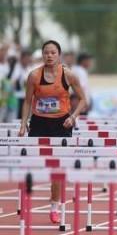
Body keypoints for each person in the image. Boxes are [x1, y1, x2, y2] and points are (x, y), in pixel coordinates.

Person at [18, 40, 88, 224]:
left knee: (57, 167)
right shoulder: (34, 76)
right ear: (42, 55)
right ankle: (29, 187)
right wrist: (23, 123)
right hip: (39, 122)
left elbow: (82, 100)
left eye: (53, 52)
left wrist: (73, 117)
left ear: (59, 55)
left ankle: (54, 206)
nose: (49, 55)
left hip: (61, 123)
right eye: (46, 52)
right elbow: (27, 101)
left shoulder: (68, 75)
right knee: (34, 163)